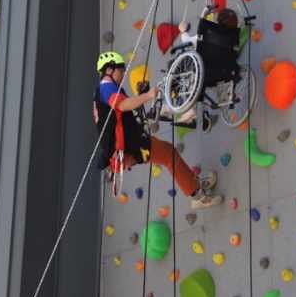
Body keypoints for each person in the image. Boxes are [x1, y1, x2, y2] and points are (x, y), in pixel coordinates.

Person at [94, 51, 222, 209]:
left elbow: (121, 112)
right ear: (109, 70)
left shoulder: (102, 90)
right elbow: (122, 105)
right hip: (130, 145)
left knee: (169, 153)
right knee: (169, 155)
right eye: (121, 70)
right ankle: (198, 196)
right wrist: (147, 96)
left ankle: (194, 185)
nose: (122, 75)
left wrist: (140, 96)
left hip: (131, 141)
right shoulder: (107, 88)